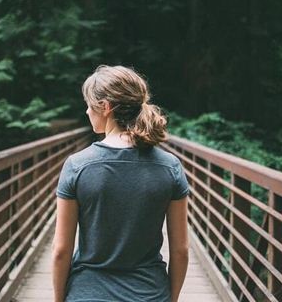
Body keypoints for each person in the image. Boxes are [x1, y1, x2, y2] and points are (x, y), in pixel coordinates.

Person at [52, 64, 190, 302]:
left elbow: (61, 251)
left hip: (89, 294)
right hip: (149, 294)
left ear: (105, 107)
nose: (87, 112)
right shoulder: (170, 167)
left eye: (89, 105)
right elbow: (181, 251)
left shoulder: (77, 166)